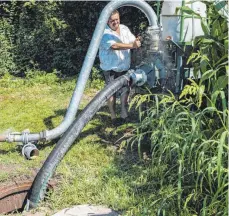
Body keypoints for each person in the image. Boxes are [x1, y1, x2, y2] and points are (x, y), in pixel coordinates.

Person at [99, 10, 141, 125]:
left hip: (124, 67)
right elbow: (114, 46)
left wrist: (137, 41)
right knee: (110, 92)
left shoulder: (124, 29)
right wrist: (132, 46)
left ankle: (123, 114)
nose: (115, 22)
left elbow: (133, 40)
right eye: (112, 20)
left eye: (117, 19)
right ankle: (113, 117)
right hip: (110, 68)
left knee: (125, 91)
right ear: (107, 21)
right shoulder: (103, 32)